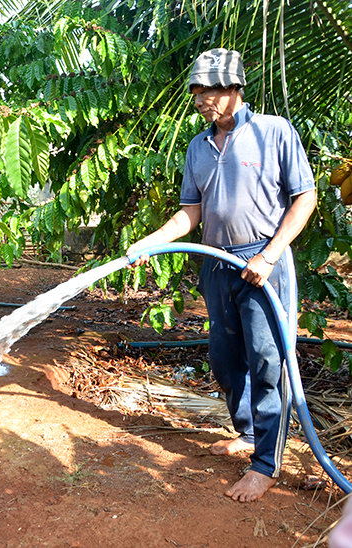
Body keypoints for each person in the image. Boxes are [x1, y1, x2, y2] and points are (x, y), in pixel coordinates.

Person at [127, 48, 317, 502]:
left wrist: (270, 256)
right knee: (224, 357)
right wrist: (152, 240)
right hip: (216, 261)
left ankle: (266, 465)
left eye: (210, 90)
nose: (201, 99)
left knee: (269, 362)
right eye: (196, 91)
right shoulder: (198, 146)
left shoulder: (273, 133)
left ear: (235, 89)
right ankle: (250, 433)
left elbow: (305, 198)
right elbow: (189, 211)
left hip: (262, 265)